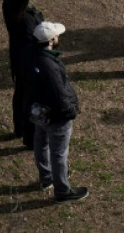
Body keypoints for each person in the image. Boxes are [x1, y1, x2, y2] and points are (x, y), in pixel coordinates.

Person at [25, 21, 89, 204]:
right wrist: (71, 111)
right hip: (57, 116)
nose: (58, 37)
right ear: (51, 40)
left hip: (39, 111)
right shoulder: (49, 65)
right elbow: (59, 94)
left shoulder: (30, 56)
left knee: (41, 143)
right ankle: (62, 190)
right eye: (56, 35)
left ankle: (46, 177)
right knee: (59, 153)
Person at [1, 0, 44, 149]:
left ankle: (18, 128)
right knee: (29, 97)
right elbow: (33, 41)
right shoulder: (27, 20)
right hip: (28, 60)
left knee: (19, 93)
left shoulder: (8, 4)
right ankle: (28, 134)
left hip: (18, 56)